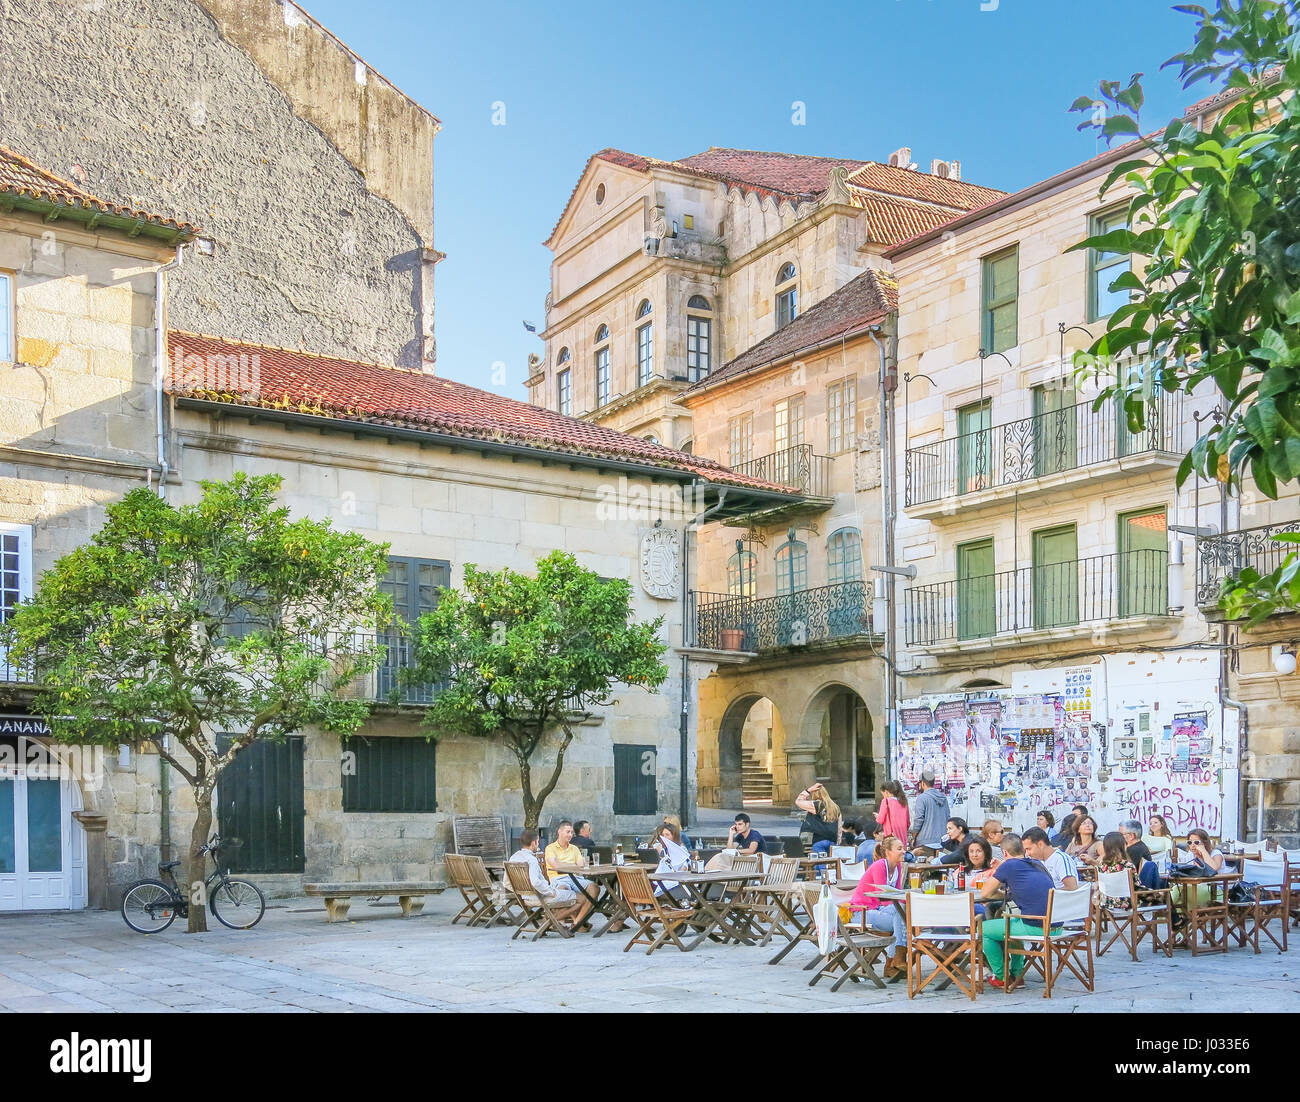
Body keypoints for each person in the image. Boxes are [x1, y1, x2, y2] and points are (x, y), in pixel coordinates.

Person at [981, 832, 1056, 988]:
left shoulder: (1008, 865)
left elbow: (985, 893)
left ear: (1005, 853)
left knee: (984, 929)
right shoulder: (1037, 863)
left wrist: (1000, 870)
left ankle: (1002, 976)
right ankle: (1017, 975)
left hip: (1037, 927)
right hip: (1055, 926)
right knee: (1013, 924)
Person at [846, 834, 909, 981]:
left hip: (880, 909)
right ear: (888, 852)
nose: (903, 851)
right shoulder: (880, 865)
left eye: (903, 848)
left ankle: (894, 961)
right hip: (862, 912)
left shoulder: (898, 866)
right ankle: (895, 960)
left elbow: (897, 894)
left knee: (902, 913)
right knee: (901, 917)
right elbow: (882, 897)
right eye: (899, 849)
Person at [508, 829, 589, 926]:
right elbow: (536, 882)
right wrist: (550, 892)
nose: (538, 845)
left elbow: (506, 883)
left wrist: (520, 893)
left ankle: (558, 921)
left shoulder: (513, 858)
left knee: (564, 890)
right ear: (533, 843)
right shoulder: (531, 860)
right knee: (583, 898)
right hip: (540, 897)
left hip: (523, 898)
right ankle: (551, 921)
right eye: (538, 842)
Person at [795, 782, 843, 857]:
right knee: (829, 864)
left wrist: (808, 790)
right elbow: (839, 828)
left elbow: (798, 801)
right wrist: (838, 842)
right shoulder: (836, 807)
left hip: (818, 840)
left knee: (819, 865)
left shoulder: (817, 805)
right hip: (832, 841)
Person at [909, 770, 950, 857]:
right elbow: (948, 818)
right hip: (941, 841)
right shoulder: (943, 798)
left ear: (922, 783)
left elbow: (919, 820)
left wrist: (914, 837)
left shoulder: (922, 798)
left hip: (925, 841)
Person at [1094, 831, 1136, 911]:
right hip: (1127, 904)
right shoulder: (1127, 866)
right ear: (1123, 846)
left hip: (1106, 903)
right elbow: (1136, 887)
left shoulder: (1101, 865)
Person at [650, 822, 692, 900]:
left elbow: (684, 866)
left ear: (674, 836)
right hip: (662, 882)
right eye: (662, 835)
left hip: (676, 885)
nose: (664, 837)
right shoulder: (662, 849)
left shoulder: (680, 849)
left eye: (667, 835)